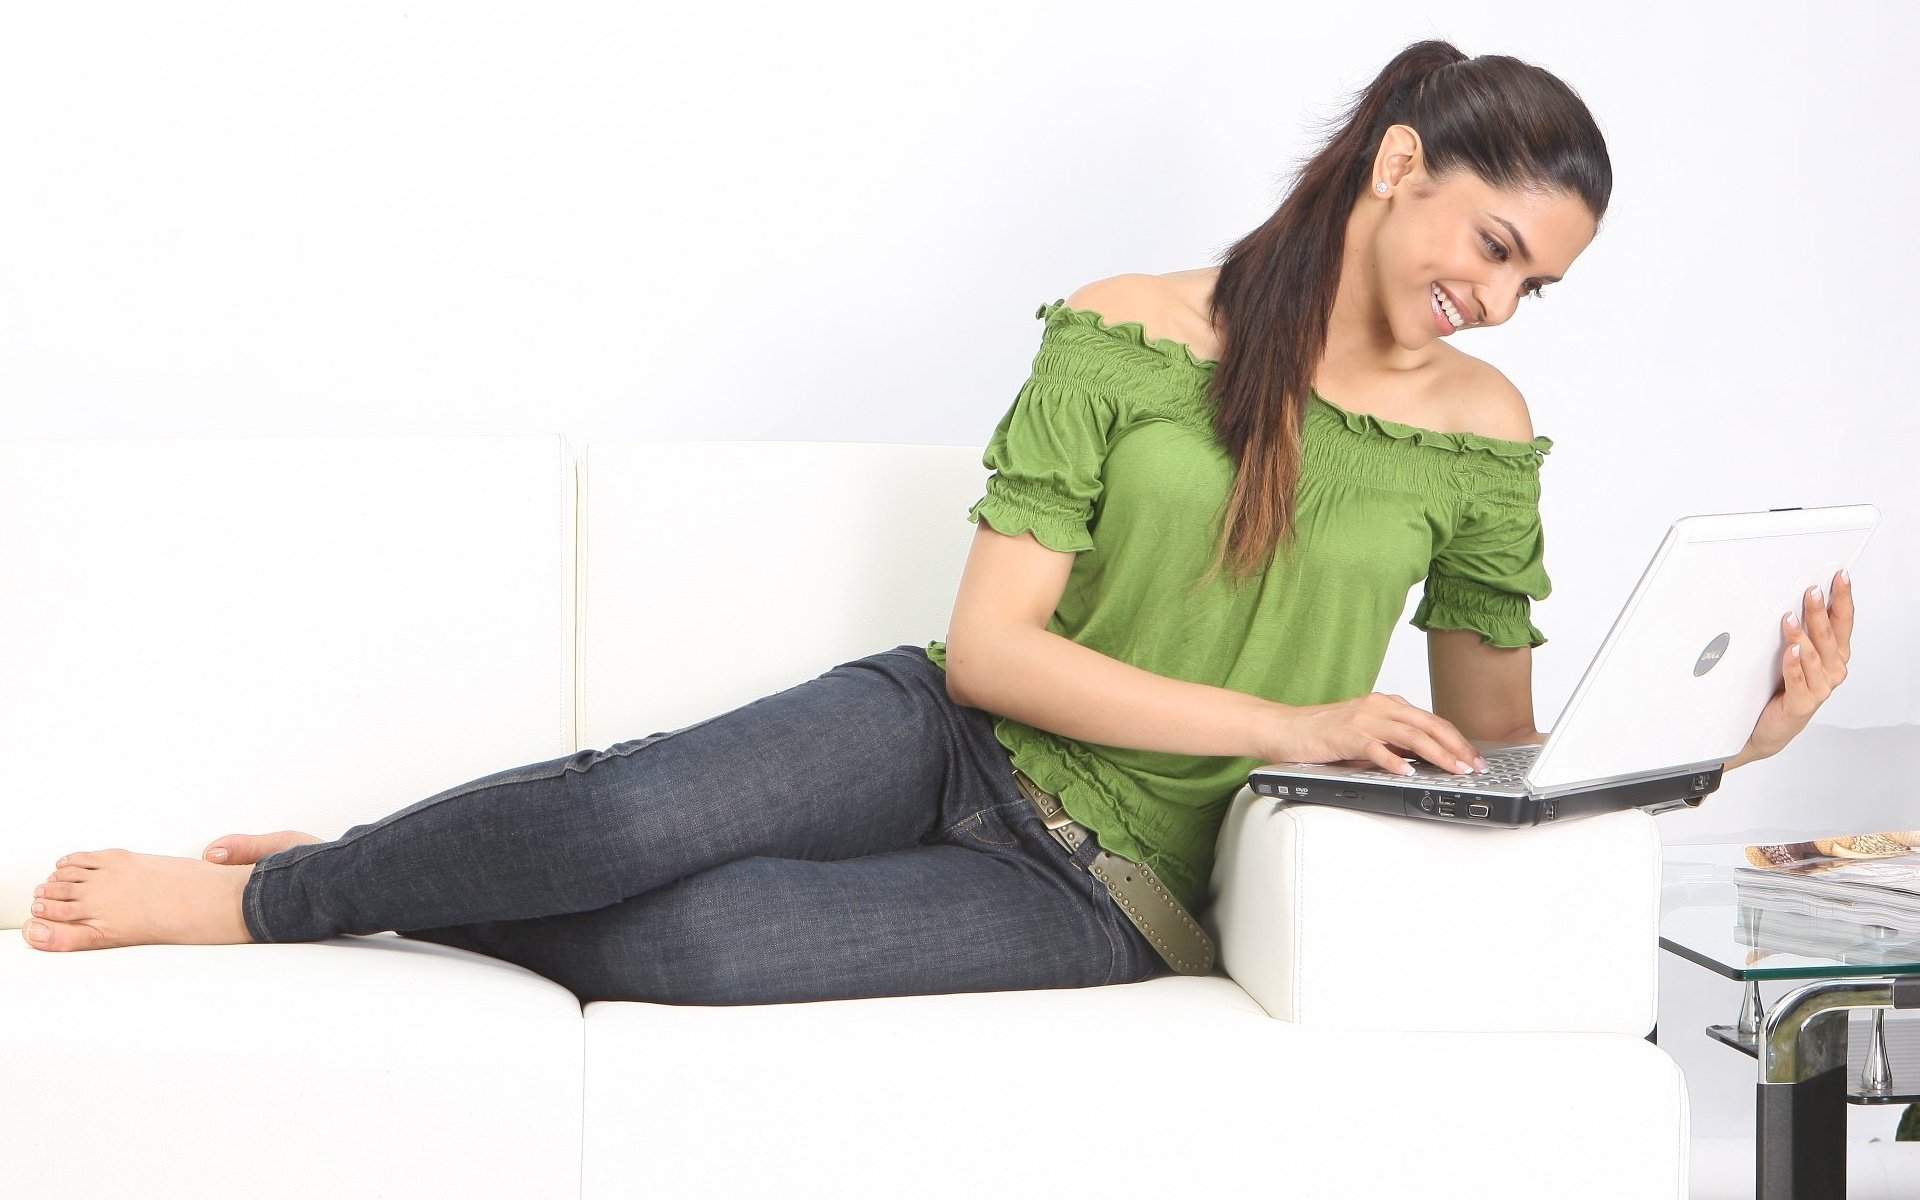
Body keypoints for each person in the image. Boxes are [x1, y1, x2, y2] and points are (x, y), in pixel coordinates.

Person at [21, 40, 1856, 1005]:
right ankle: (280, 896)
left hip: (1111, 891)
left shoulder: (1483, 435)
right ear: (1398, 166)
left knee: (702, 949)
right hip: (945, 731)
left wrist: (1735, 737)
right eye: (1496, 246)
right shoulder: (1131, 329)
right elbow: (993, 651)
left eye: (1536, 287)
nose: (1500, 302)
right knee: (624, 816)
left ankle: (399, 883)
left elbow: (1494, 744)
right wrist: (1291, 720)